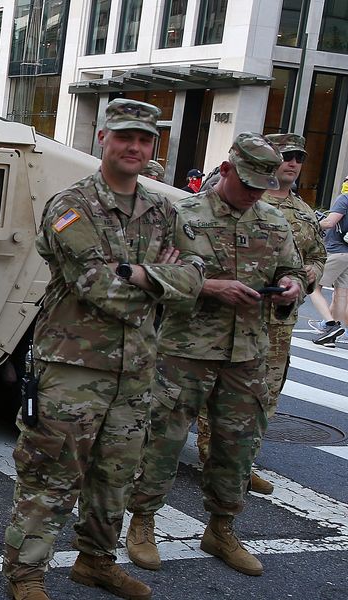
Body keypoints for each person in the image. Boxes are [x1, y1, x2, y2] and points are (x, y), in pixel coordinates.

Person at [0, 100, 202, 600]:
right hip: (71, 367)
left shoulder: (162, 210)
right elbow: (97, 286)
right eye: (124, 137)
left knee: (116, 475)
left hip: (135, 369)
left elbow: (197, 278)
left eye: (145, 140)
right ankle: (26, 573)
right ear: (103, 140)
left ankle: (95, 561)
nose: (135, 147)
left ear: (154, 147)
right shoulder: (72, 207)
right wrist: (163, 278)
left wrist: (138, 272)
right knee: (52, 471)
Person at [125, 133, 305, 579]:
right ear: (225, 171)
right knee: (161, 441)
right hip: (184, 349)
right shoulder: (178, 214)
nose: (253, 195)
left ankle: (222, 528)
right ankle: (142, 523)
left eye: (261, 188)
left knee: (237, 449)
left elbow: (293, 268)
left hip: (247, 354)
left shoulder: (273, 221)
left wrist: (292, 288)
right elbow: (145, 273)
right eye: (247, 184)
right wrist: (206, 287)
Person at [193, 133, 325, 496]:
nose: (293, 163)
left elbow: (315, 257)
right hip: (225, 317)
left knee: (263, 395)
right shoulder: (242, 198)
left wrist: (306, 276)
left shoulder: (303, 212)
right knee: (211, 390)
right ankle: (210, 453)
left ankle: (242, 461)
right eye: (287, 156)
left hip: (277, 323)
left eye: (300, 157)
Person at [312, 178, 348, 346]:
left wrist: (312, 224)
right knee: (341, 293)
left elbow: (330, 222)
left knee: (313, 287)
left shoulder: (344, 198)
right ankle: (334, 335)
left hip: (335, 250)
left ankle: (330, 324)